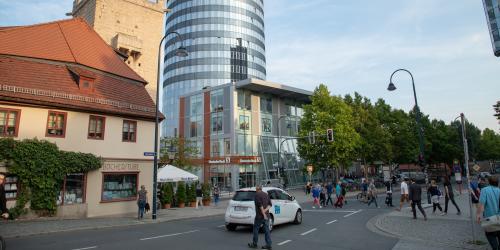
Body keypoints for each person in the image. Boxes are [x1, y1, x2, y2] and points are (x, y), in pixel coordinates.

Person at [476, 176, 500, 249]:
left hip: (490, 220)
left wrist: (478, 215)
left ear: (489, 182)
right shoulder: (499, 190)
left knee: (490, 235)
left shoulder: (485, 190)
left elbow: (481, 205)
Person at [248, 185, 272, 250]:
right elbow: (270, 205)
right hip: (267, 216)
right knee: (267, 230)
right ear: (261, 189)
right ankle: (268, 245)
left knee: (256, 229)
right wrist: (265, 211)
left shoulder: (257, 195)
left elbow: (260, 205)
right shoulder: (266, 194)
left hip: (259, 216)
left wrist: (263, 214)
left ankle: (254, 244)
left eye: (256, 189)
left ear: (257, 189)